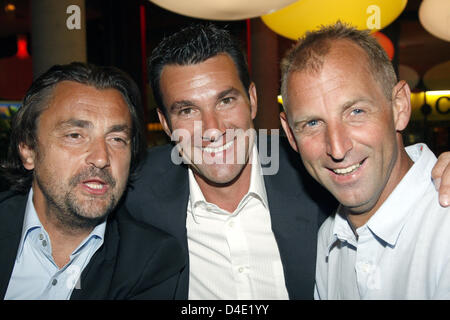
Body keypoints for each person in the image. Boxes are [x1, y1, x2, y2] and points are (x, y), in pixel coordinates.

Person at [126, 23, 450, 300]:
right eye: (187, 110)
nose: (212, 129)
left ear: (252, 100)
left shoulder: (315, 176)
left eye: (225, 101)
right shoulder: (136, 192)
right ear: (165, 124)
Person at [279, 22, 450, 299]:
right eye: (312, 123)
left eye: (356, 111)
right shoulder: (327, 239)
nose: (337, 147)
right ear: (290, 134)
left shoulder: (443, 225)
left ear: (399, 107)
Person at [0, 62, 185, 300]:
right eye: (75, 135)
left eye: (117, 139)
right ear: (28, 149)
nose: (101, 158)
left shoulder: (149, 261)